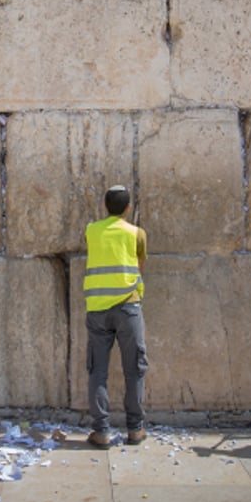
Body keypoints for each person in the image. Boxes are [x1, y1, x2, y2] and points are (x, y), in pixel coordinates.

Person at [83, 185, 149, 449]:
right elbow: (140, 266)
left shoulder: (91, 231)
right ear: (128, 208)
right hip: (128, 306)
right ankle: (135, 429)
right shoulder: (136, 233)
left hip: (97, 308)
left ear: (105, 206)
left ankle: (101, 432)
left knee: (97, 371)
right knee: (134, 368)